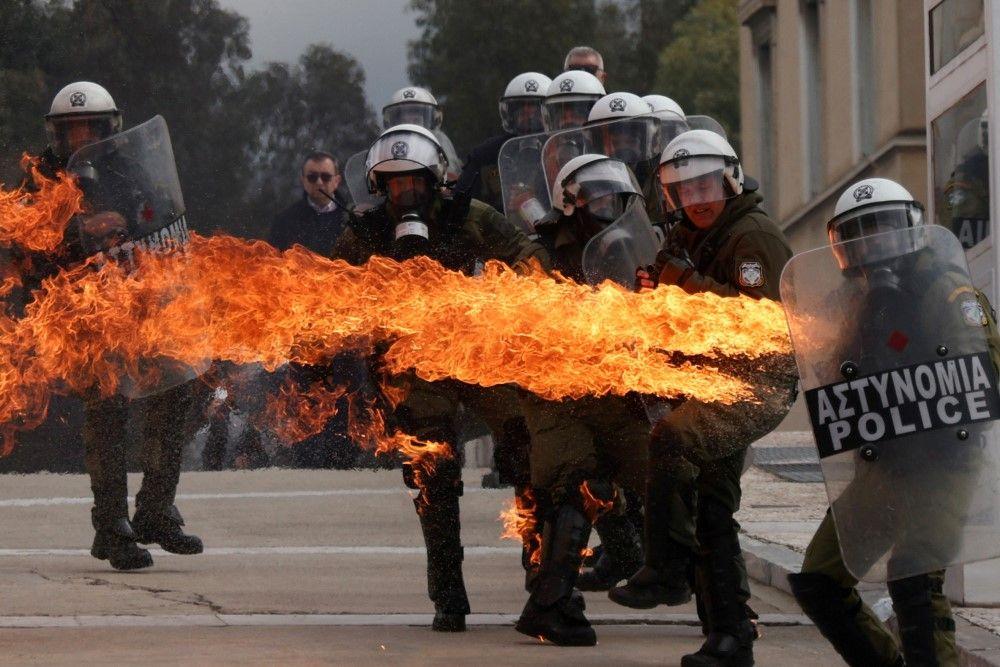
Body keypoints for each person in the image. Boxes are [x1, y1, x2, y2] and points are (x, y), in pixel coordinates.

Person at [332, 124, 550, 632]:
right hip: (411, 362)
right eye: (393, 184)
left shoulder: (467, 216)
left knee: (525, 442)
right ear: (378, 187)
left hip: (476, 351)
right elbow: (326, 285)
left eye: (414, 182)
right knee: (433, 471)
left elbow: (526, 251)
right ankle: (448, 595)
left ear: (435, 181)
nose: (404, 193)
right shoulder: (364, 233)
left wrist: (511, 285)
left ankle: (542, 575)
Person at [608, 130, 796, 666]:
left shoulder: (753, 235)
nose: (698, 199)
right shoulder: (683, 237)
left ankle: (665, 569)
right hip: (708, 380)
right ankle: (728, 637)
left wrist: (686, 285)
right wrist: (653, 292)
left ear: (729, 179)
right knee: (711, 506)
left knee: (673, 438)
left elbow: (764, 322)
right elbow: (666, 291)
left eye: (707, 185)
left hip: (757, 382)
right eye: (684, 192)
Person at [786, 178, 980, 666]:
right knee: (820, 580)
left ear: (909, 229)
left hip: (942, 462)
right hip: (885, 463)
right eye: (860, 235)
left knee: (915, 577)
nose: (872, 244)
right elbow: (833, 374)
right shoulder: (853, 300)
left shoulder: (944, 289)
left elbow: (975, 370)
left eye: (882, 229)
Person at [37, 82, 204, 570]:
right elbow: (25, 243)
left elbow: (158, 213)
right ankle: (110, 527)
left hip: (137, 305)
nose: (82, 137)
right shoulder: (41, 179)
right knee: (107, 412)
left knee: (177, 390)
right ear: (56, 134)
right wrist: (76, 230)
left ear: (112, 128)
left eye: (92, 127)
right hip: (78, 313)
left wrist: (135, 224)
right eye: (72, 130)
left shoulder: (126, 168)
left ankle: (155, 509)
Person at [515, 154, 653, 646]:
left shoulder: (637, 247)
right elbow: (526, 323)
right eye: (596, 197)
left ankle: (709, 593)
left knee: (670, 470)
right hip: (556, 391)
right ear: (571, 205)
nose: (607, 206)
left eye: (613, 197)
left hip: (616, 388)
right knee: (575, 482)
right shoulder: (539, 256)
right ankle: (549, 605)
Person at [455, 72, 552, 213]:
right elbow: (462, 200)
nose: (528, 114)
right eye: (520, 107)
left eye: (535, 107)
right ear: (509, 113)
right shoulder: (487, 153)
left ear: (549, 112)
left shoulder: (559, 149)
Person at [268, 151, 349, 253]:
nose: (319, 182)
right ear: (303, 180)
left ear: (336, 181)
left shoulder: (354, 219)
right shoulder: (285, 221)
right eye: (312, 177)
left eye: (326, 177)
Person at [382, 87, 462, 181]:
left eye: (416, 119)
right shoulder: (384, 143)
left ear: (435, 119)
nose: (411, 123)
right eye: (404, 120)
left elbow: (451, 177)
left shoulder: (439, 140)